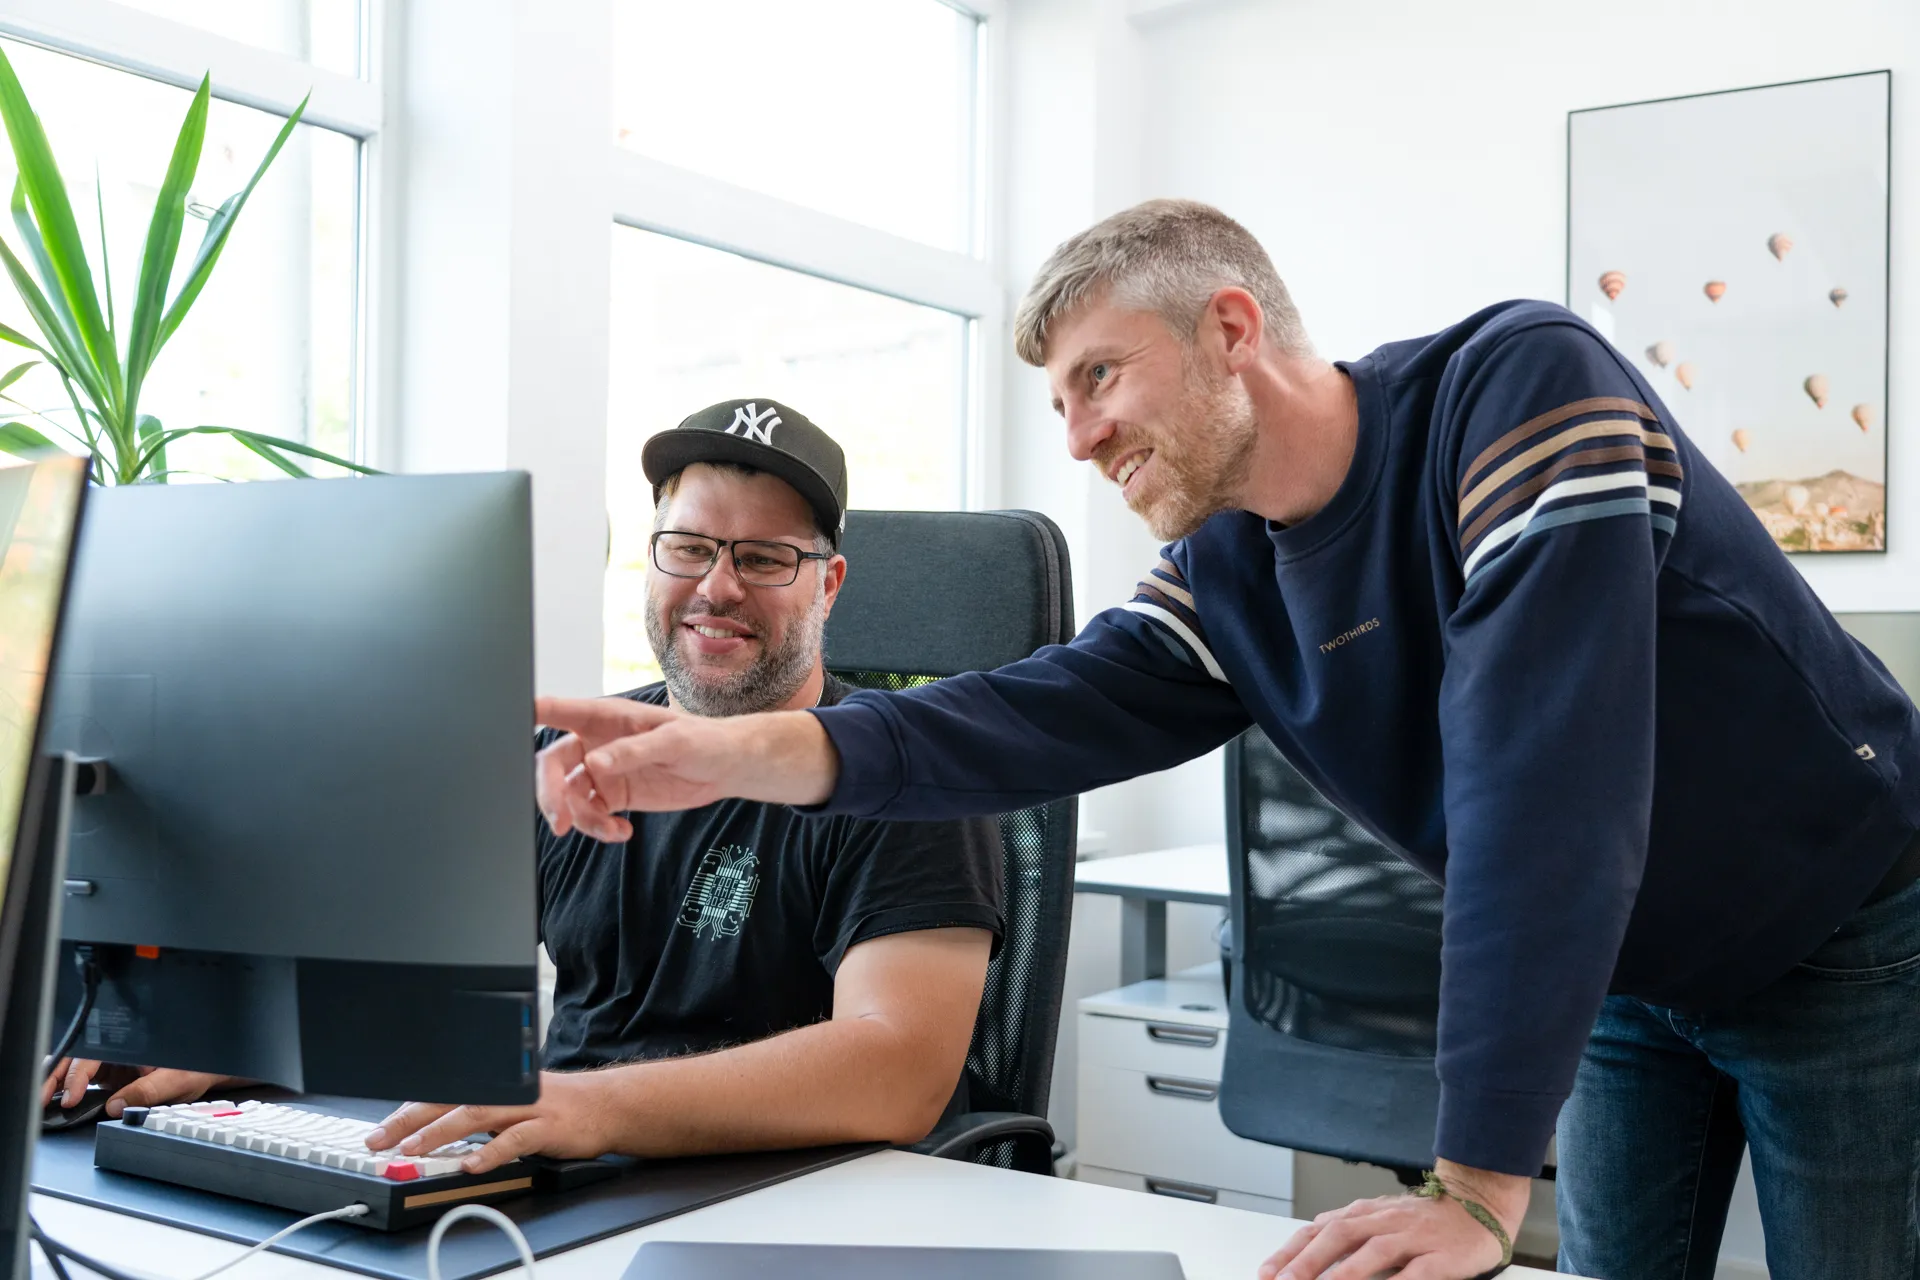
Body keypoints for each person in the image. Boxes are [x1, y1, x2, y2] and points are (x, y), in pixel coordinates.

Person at [536, 203, 1920, 1280]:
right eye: (1059, 402)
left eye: (1099, 379)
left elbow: (1544, 780)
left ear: (1233, 327)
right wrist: (717, 753)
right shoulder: (1229, 577)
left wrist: (1478, 1185)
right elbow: (1015, 719)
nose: (1078, 438)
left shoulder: (1515, 390)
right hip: (1628, 976)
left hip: (1841, 937)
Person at [49, 399, 1006, 1175]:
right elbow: (407, 969)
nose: (717, 587)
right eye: (689, 548)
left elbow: (899, 1069)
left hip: (796, 1200)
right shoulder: (574, 747)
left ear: (829, 585)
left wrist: (591, 1103)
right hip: (563, 1166)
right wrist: (216, 1041)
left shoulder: (896, 769)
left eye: (763, 559)